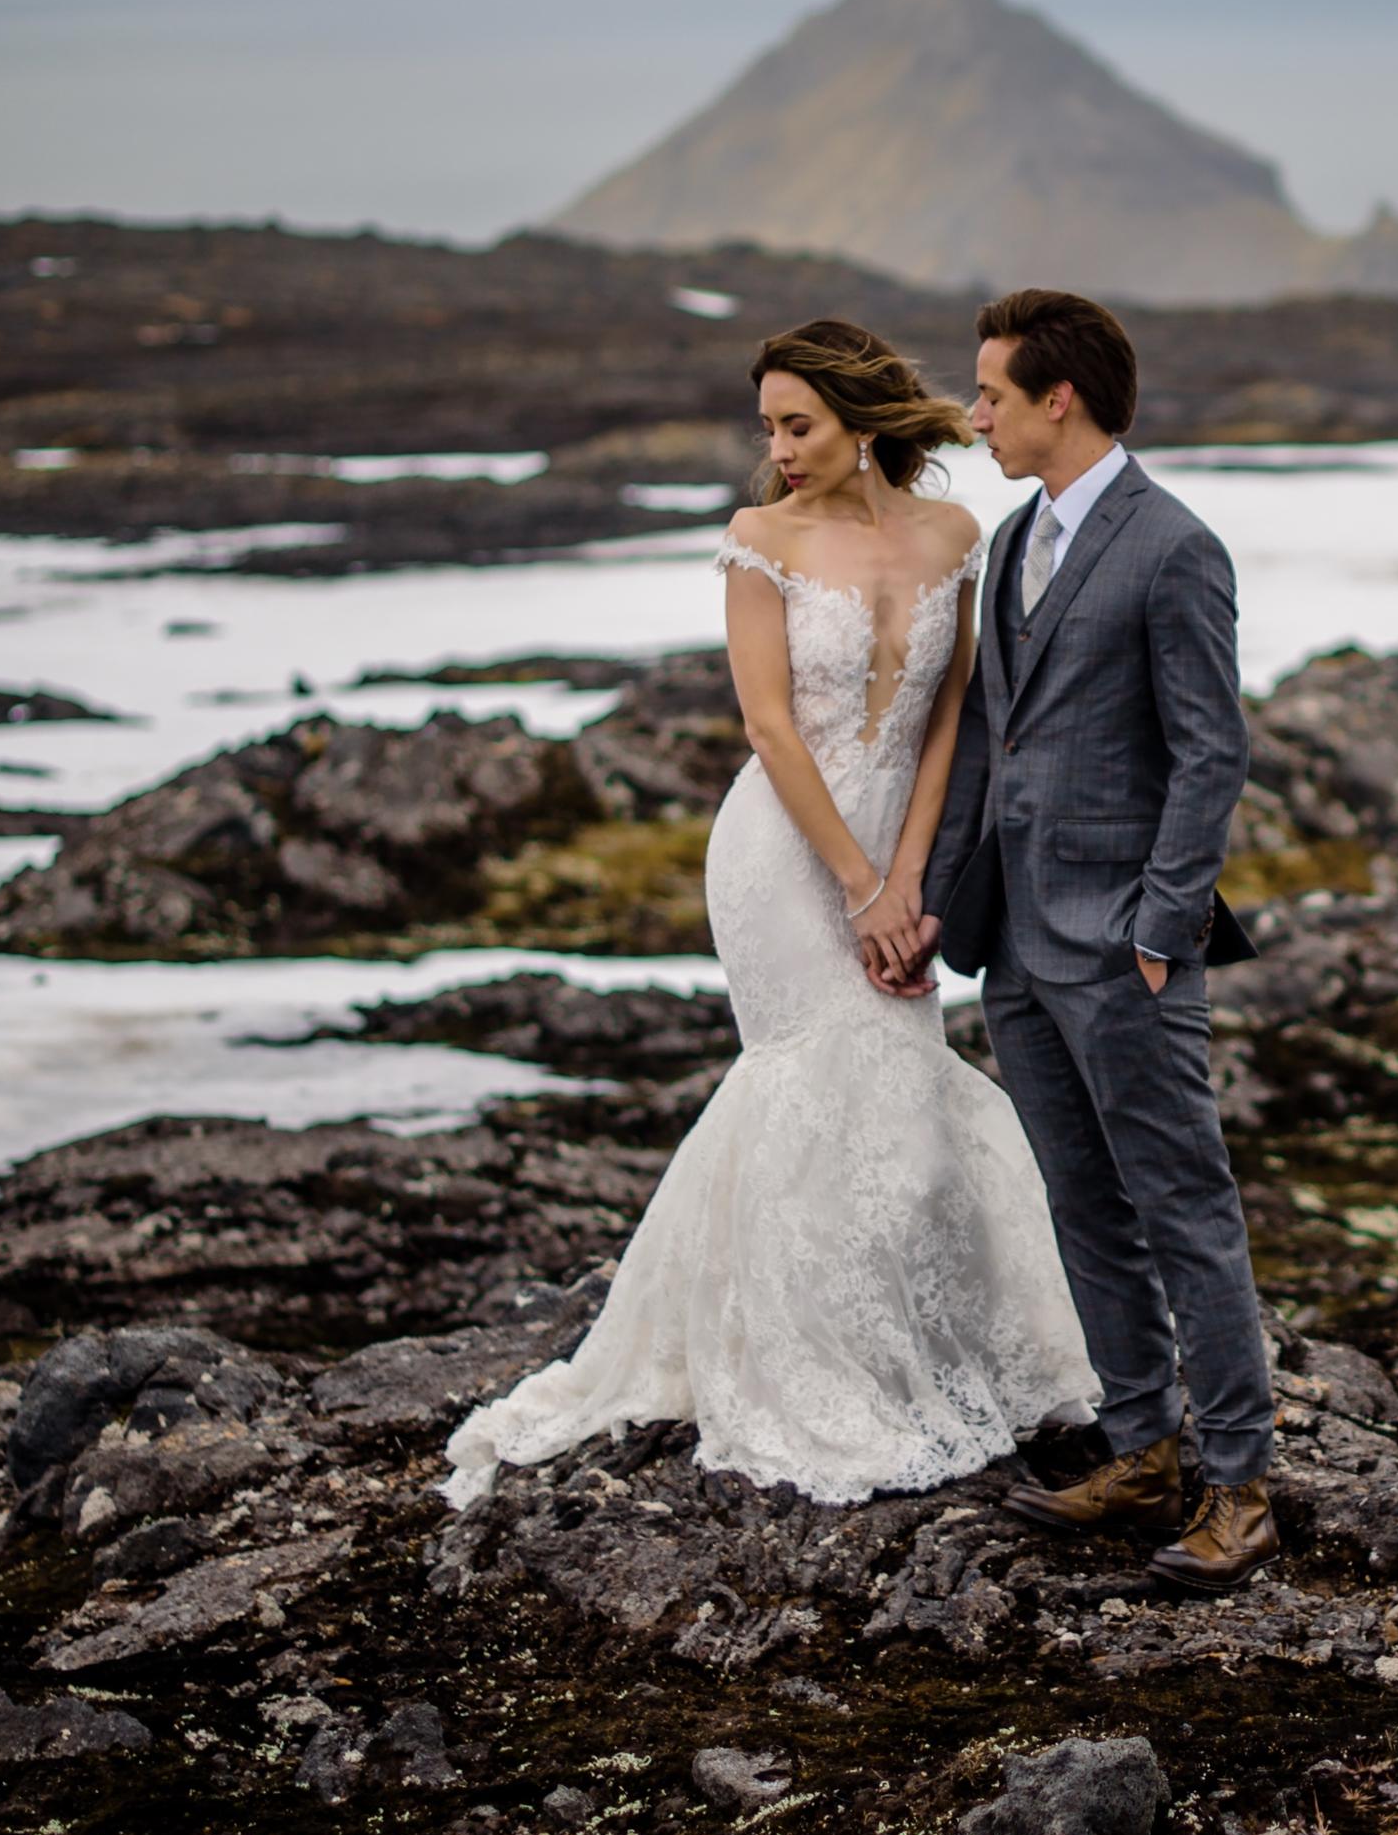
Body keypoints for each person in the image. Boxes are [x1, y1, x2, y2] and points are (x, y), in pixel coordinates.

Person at [442, 319, 1096, 1509]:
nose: (780, 450)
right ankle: (805, 1371)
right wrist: (858, 887)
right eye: (771, 430)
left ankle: (913, 1354)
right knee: (815, 1078)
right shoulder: (760, 541)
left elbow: (951, 720)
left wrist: (914, 882)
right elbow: (770, 729)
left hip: (898, 850)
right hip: (784, 857)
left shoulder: (960, 535)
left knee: (902, 1095)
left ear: (862, 421)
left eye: (799, 425)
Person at [921, 287, 1280, 1595]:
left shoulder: (1174, 547)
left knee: (1185, 1209)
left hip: (1124, 947)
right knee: (1083, 1208)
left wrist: (1159, 930)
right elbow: (990, 745)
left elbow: (1211, 751)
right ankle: (1142, 1447)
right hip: (1016, 943)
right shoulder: (1014, 538)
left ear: (1056, 399)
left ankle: (1239, 1487)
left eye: (991, 394)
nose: (975, 415)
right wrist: (941, 903)